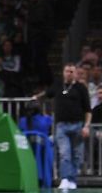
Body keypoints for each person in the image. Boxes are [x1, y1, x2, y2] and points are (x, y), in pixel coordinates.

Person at [42, 63, 92, 191]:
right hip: (61, 126)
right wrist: (36, 97)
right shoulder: (58, 85)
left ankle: (72, 179)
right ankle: (64, 179)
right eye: (67, 71)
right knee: (65, 153)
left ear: (75, 73)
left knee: (77, 155)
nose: (69, 73)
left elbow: (88, 110)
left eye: (71, 71)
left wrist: (86, 126)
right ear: (63, 72)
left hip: (77, 125)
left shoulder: (81, 88)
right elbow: (47, 94)